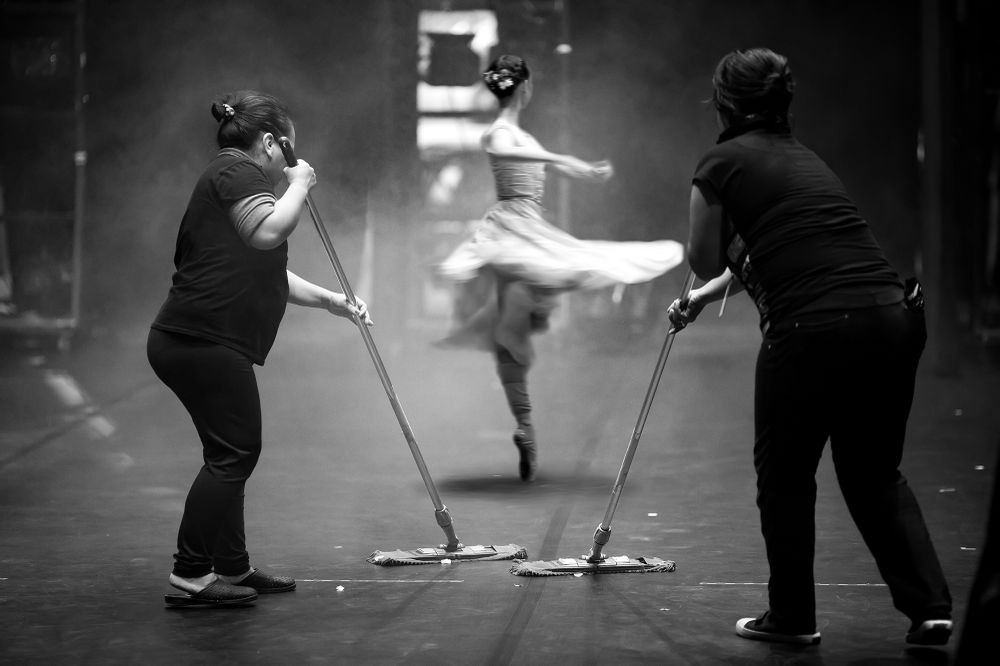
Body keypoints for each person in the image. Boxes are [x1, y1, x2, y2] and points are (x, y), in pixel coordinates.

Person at [667, 48, 952, 646]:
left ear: (723, 103)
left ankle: (792, 618)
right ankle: (930, 608)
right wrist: (703, 299)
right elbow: (789, 254)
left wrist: (704, 263)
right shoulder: (805, 160)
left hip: (811, 332)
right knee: (874, 472)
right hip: (889, 318)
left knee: (786, 477)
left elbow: (701, 258)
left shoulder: (719, 163)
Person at [147, 90, 371, 607]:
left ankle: (231, 565)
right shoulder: (239, 172)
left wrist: (333, 300)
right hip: (202, 342)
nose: (289, 164)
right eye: (288, 152)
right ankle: (190, 574)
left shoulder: (230, 177)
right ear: (272, 143)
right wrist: (302, 183)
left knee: (227, 453)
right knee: (235, 453)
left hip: (191, 340)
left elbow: (267, 269)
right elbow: (269, 233)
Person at [438, 55, 684, 483]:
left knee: (514, 334)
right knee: (511, 334)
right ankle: (525, 424)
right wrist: (568, 161)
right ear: (525, 88)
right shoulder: (500, 132)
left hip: (529, 235)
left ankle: (525, 424)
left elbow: (547, 163)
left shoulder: (521, 135)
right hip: (512, 235)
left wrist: (580, 169)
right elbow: (510, 150)